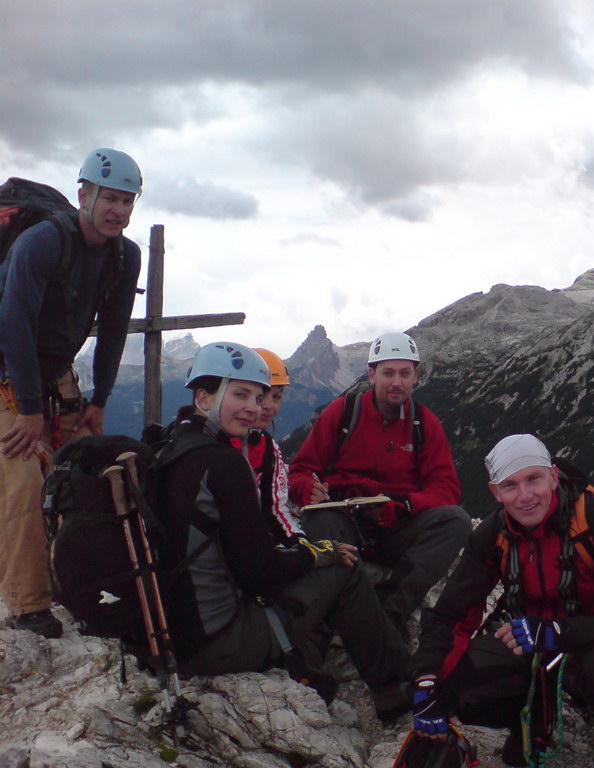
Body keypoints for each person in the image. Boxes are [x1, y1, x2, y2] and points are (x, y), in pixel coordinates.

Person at [155, 341, 410, 714]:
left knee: (312, 583)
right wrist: (315, 555)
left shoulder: (169, 446)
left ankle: (303, 660)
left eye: (258, 398)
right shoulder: (224, 464)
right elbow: (260, 571)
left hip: (172, 633)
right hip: (217, 641)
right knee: (344, 571)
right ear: (204, 398)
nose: (253, 408)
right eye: (240, 394)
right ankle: (398, 689)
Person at [409, 435, 594, 768]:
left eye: (534, 479)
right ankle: (530, 724)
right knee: (456, 685)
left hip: (590, 642)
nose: (524, 496)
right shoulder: (494, 536)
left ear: (553, 477)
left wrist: (557, 632)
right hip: (532, 642)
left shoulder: (593, 522)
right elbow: (450, 615)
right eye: (510, 485)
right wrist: (427, 681)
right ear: (495, 492)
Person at [0, 148, 143, 637]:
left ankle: (73, 582)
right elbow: (13, 325)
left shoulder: (125, 255)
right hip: (6, 366)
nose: (119, 211)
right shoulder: (41, 243)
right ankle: (28, 603)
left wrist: (99, 401)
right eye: (111, 199)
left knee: (78, 473)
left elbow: (114, 329)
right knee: (22, 476)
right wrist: (31, 410)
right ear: (84, 194)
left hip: (56, 371)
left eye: (128, 201)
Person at [289, 331, 470, 634]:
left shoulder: (423, 423)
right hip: (344, 518)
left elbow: (446, 489)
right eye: (388, 373)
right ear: (372, 375)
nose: (396, 382)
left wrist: (405, 507)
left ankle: (390, 612)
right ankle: (320, 625)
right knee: (321, 520)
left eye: (404, 373)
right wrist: (306, 488)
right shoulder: (344, 412)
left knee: (457, 521)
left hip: (394, 526)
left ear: (416, 377)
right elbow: (301, 470)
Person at [228, 347, 307, 545]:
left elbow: (277, 510)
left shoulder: (267, 446)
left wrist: (304, 549)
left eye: (277, 397)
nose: (270, 406)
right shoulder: (214, 444)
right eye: (261, 396)